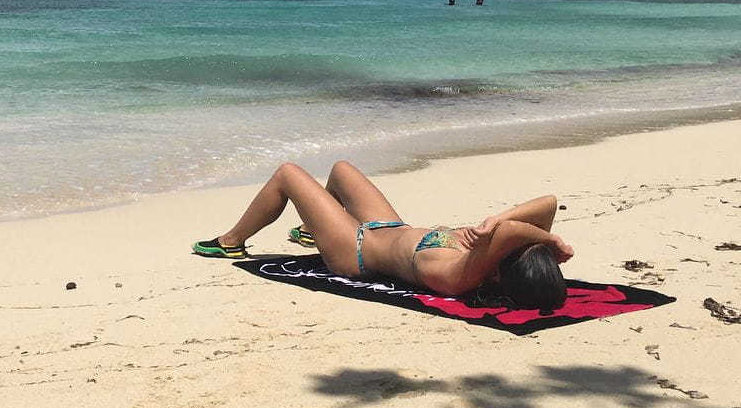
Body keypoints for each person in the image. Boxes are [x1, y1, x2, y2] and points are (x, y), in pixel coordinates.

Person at [192, 160, 572, 310]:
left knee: (288, 174)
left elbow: (510, 230)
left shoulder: (460, 276)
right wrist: (500, 225)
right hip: (387, 227)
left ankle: (231, 243)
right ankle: (313, 229)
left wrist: (550, 241)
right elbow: (548, 204)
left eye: (514, 250)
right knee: (341, 170)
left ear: (499, 274)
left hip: (355, 252)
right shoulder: (484, 259)